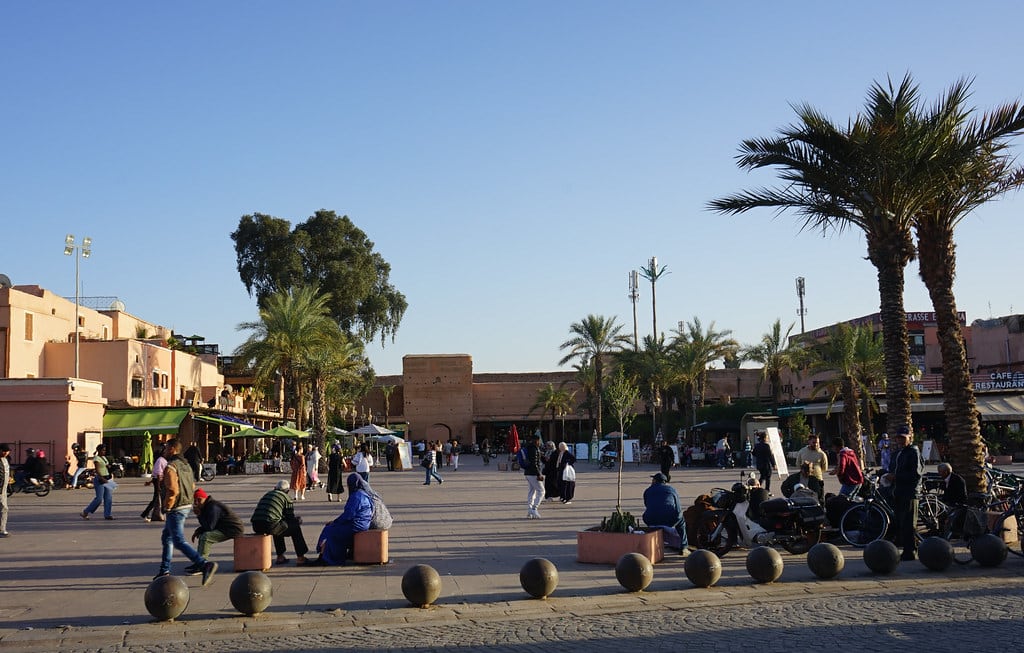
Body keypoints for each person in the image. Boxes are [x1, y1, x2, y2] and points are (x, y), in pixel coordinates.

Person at [156, 438, 218, 585]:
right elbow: (192, 485)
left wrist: (167, 506)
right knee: (167, 538)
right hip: (186, 504)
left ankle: (204, 564)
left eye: (166, 449)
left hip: (176, 507)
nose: (164, 451)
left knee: (178, 540)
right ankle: (164, 570)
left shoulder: (171, 467)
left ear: (172, 449)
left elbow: (172, 489)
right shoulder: (186, 465)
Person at [315, 473, 375, 565]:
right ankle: (326, 555)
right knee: (333, 527)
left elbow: (348, 515)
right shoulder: (363, 493)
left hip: (356, 525)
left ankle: (326, 557)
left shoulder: (356, 496)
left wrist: (335, 522)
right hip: (363, 523)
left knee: (330, 530)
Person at [884, 427, 923, 561]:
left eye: (903, 437)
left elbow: (916, 474)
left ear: (909, 438)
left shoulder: (913, 452)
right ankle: (908, 548)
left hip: (910, 492)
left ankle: (910, 551)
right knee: (901, 522)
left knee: (909, 523)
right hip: (897, 492)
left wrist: (896, 477)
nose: (900, 440)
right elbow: (892, 468)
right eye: (898, 437)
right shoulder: (897, 453)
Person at [251, 480, 312, 565]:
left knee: (279, 526)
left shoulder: (268, 494)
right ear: (287, 491)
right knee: (295, 528)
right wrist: (297, 521)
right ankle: (300, 558)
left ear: (275, 488)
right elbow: (290, 518)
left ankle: (280, 557)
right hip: (270, 525)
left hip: (256, 525)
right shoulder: (286, 498)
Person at [191, 487, 244, 561]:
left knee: (206, 537)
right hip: (224, 527)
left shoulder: (213, 507)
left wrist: (199, 515)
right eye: (195, 501)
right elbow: (209, 524)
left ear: (205, 498)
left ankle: (202, 563)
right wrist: (198, 531)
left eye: (199, 500)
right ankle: (198, 561)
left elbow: (210, 527)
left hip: (233, 529)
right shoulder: (206, 506)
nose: (197, 503)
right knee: (202, 535)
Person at [642, 473, 689, 553]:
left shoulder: (647, 491)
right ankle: (684, 546)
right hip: (669, 519)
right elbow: (678, 507)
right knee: (681, 521)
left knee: (651, 514)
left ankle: (657, 541)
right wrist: (678, 517)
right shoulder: (671, 490)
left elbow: (647, 505)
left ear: (654, 481)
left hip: (650, 519)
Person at [80, 444, 116, 520]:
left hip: (107, 478)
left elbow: (106, 466)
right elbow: (97, 469)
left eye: (105, 450)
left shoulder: (104, 458)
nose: (104, 451)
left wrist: (111, 467)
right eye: (103, 450)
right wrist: (101, 477)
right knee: (99, 498)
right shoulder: (96, 458)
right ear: (99, 450)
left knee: (108, 497)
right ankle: (85, 512)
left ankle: (107, 514)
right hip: (100, 479)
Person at [795, 435, 829, 502]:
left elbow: (825, 468)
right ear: (809, 442)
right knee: (806, 499)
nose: (816, 444)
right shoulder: (802, 452)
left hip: (818, 479)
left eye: (817, 443)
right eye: (814, 442)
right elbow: (798, 464)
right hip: (805, 480)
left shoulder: (821, 454)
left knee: (820, 499)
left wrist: (816, 471)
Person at [141, 445, 167, 522]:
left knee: (157, 499)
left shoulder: (163, 460)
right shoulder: (160, 460)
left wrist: (150, 482)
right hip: (159, 481)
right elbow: (158, 474)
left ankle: (149, 513)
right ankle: (146, 513)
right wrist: (158, 486)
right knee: (156, 498)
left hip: (159, 480)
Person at [523, 433, 544, 519]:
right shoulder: (534, 449)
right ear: (537, 441)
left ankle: (529, 509)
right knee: (541, 491)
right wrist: (539, 474)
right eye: (539, 441)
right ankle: (534, 508)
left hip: (528, 473)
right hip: (533, 473)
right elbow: (534, 463)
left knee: (532, 491)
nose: (540, 443)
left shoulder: (528, 447)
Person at [0, 443, 11, 537]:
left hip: (3, 490)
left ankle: (2, 529)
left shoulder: (5, 460)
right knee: (3, 508)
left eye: (7, 451)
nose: (6, 453)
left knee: (4, 508)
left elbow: (5, 475)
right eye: (4, 451)